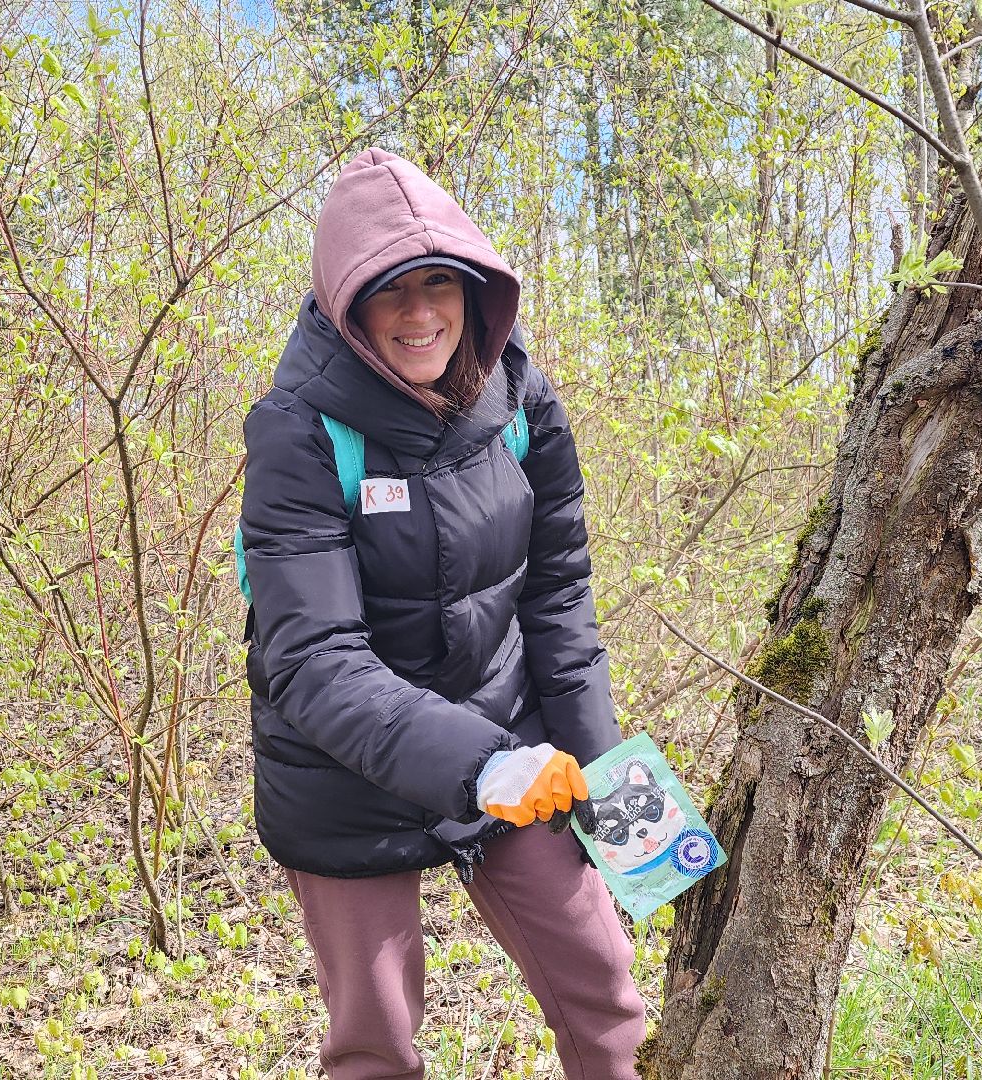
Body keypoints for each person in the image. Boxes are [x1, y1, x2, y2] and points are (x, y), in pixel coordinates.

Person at [238, 147, 645, 1080]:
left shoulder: (521, 401)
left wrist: (602, 775)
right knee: (374, 1044)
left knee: (607, 997)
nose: (420, 314)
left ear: (475, 289)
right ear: (347, 307)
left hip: (507, 731)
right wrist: (481, 766)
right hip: (343, 774)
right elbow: (313, 660)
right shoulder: (299, 429)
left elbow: (557, 596)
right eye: (390, 292)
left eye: (439, 284)